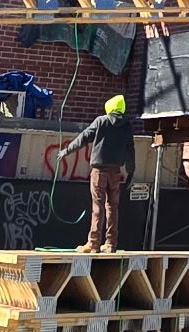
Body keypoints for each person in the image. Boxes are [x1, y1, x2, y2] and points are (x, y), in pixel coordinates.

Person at [57, 93, 136, 253]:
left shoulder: (101, 121)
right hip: (115, 172)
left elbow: (83, 138)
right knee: (112, 207)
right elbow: (130, 150)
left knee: (98, 206)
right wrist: (130, 172)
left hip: (99, 171)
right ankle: (111, 244)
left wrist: (66, 151)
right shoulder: (127, 126)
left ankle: (93, 243)